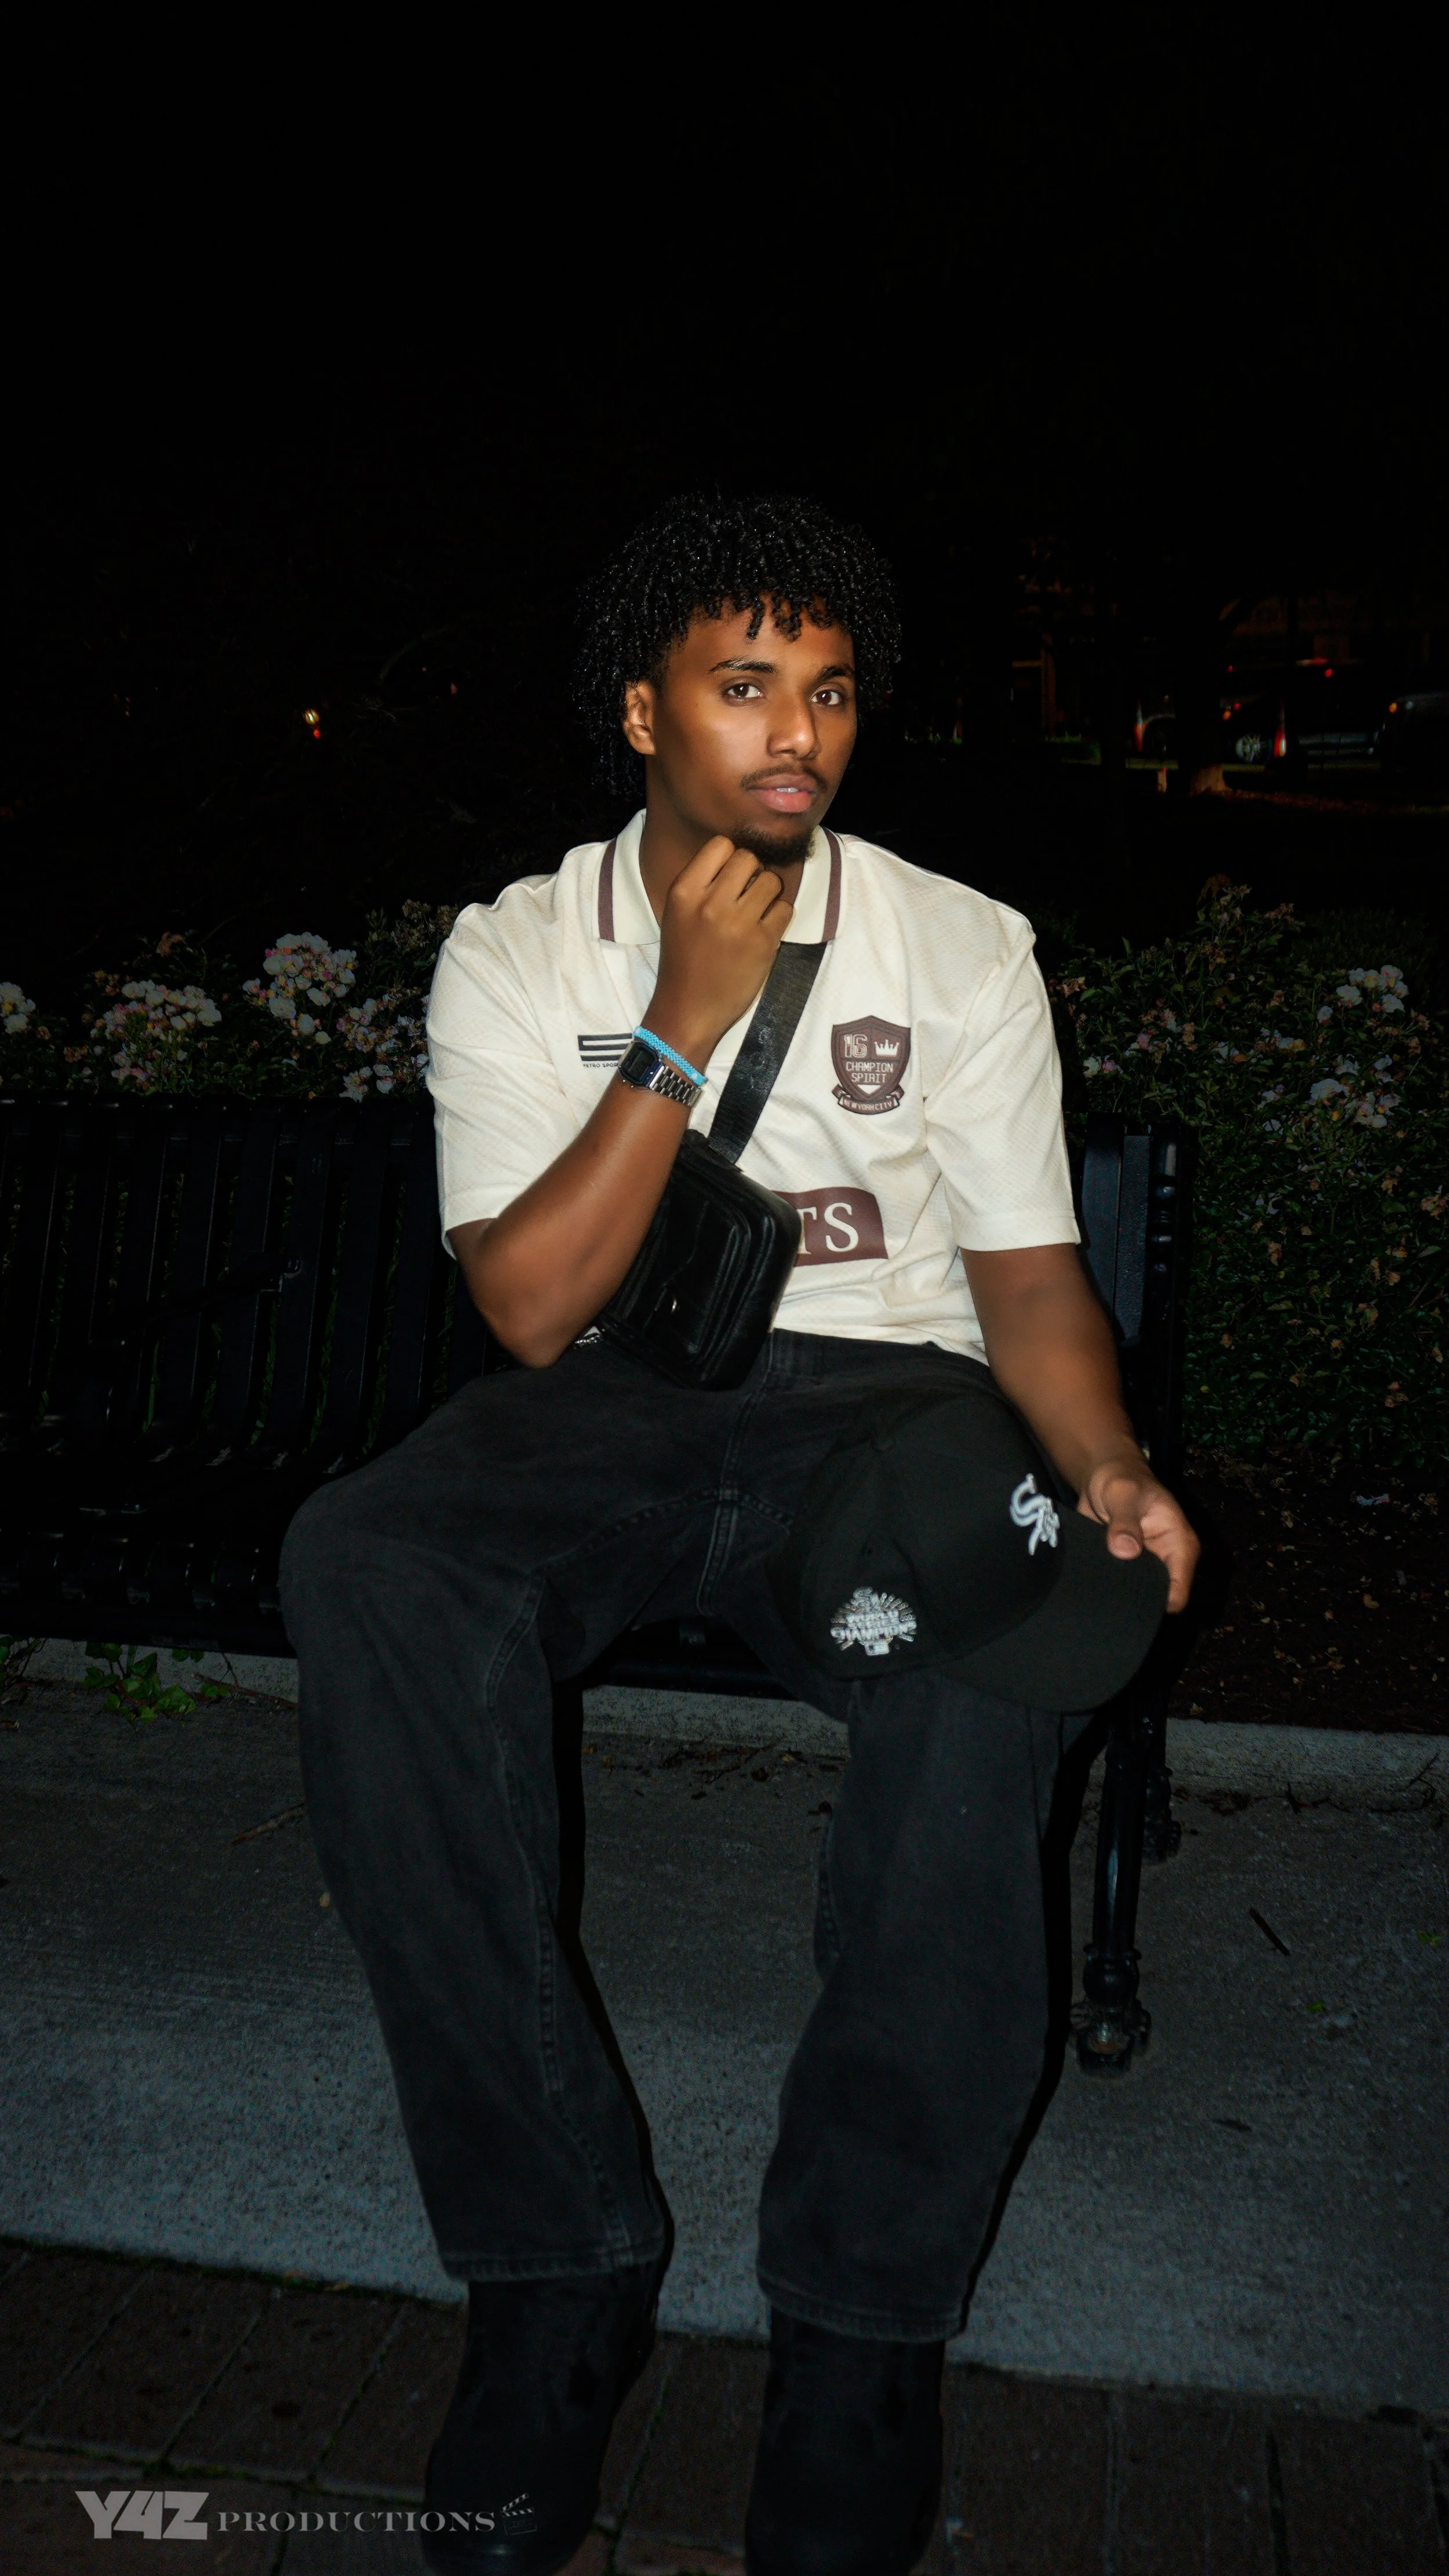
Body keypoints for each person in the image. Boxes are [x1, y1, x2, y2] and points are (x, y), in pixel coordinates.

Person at [281, 491, 1199, 2576]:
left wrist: (1105, 1462)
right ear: (642, 710)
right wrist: (683, 1014)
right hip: (606, 1408)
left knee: (984, 1668)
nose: (799, 732)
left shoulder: (957, 943)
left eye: (833, 690)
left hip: (888, 1412)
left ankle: (860, 2327)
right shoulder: (519, 948)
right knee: (374, 1560)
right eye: (745, 684)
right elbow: (530, 1310)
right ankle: (553, 2272)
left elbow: (1028, 1274)